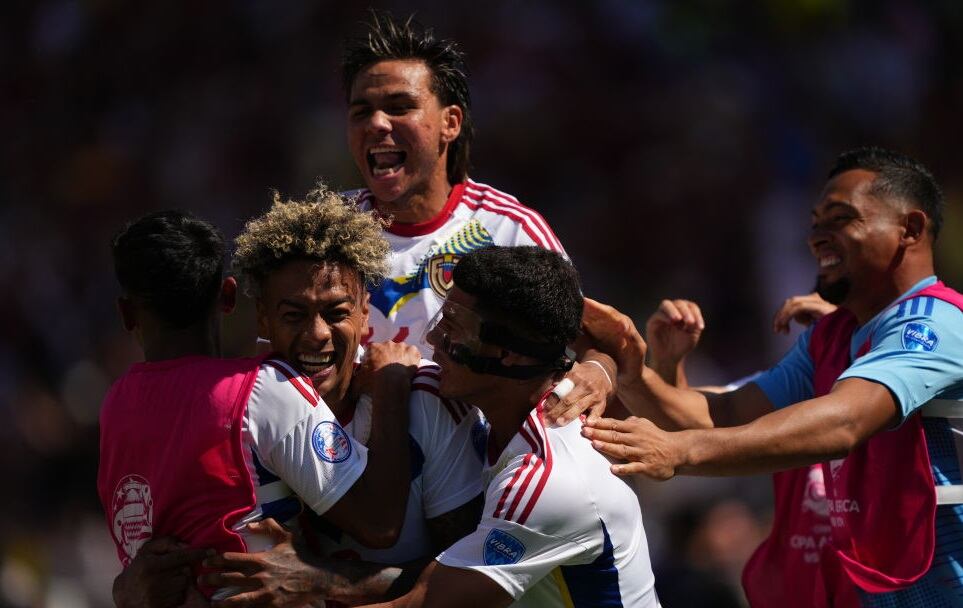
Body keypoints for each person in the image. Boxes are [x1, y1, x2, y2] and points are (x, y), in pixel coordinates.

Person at [580, 147, 963, 606]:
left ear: (911, 229)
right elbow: (723, 414)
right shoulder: (833, 335)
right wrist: (630, 364)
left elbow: (844, 423)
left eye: (840, 218)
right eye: (816, 222)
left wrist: (679, 452)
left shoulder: (936, 322)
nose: (817, 237)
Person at [100, 208, 414, 605]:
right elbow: (380, 522)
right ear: (229, 296)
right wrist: (392, 386)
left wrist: (122, 589)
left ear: (126, 314)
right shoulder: (263, 390)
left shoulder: (114, 405)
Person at [197, 188, 487, 606]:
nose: (317, 333)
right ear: (262, 315)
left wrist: (325, 581)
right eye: (294, 314)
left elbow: (473, 584)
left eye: (336, 313)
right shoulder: (236, 409)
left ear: (365, 310)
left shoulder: (426, 399)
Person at [333, 246, 659, 608]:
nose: (432, 339)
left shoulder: (550, 479)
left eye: (453, 326)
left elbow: (421, 602)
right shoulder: (506, 420)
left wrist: (307, 580)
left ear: (509, 354)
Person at [340, 11, 614, 423]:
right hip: (349, 478)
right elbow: (274, 357)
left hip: (476, 481)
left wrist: (597, 372)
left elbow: (594, 343)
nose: (377, 123)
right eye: (362, 111)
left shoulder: (509, 229)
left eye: (399, 107)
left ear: (450, 123)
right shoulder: (326, 229)